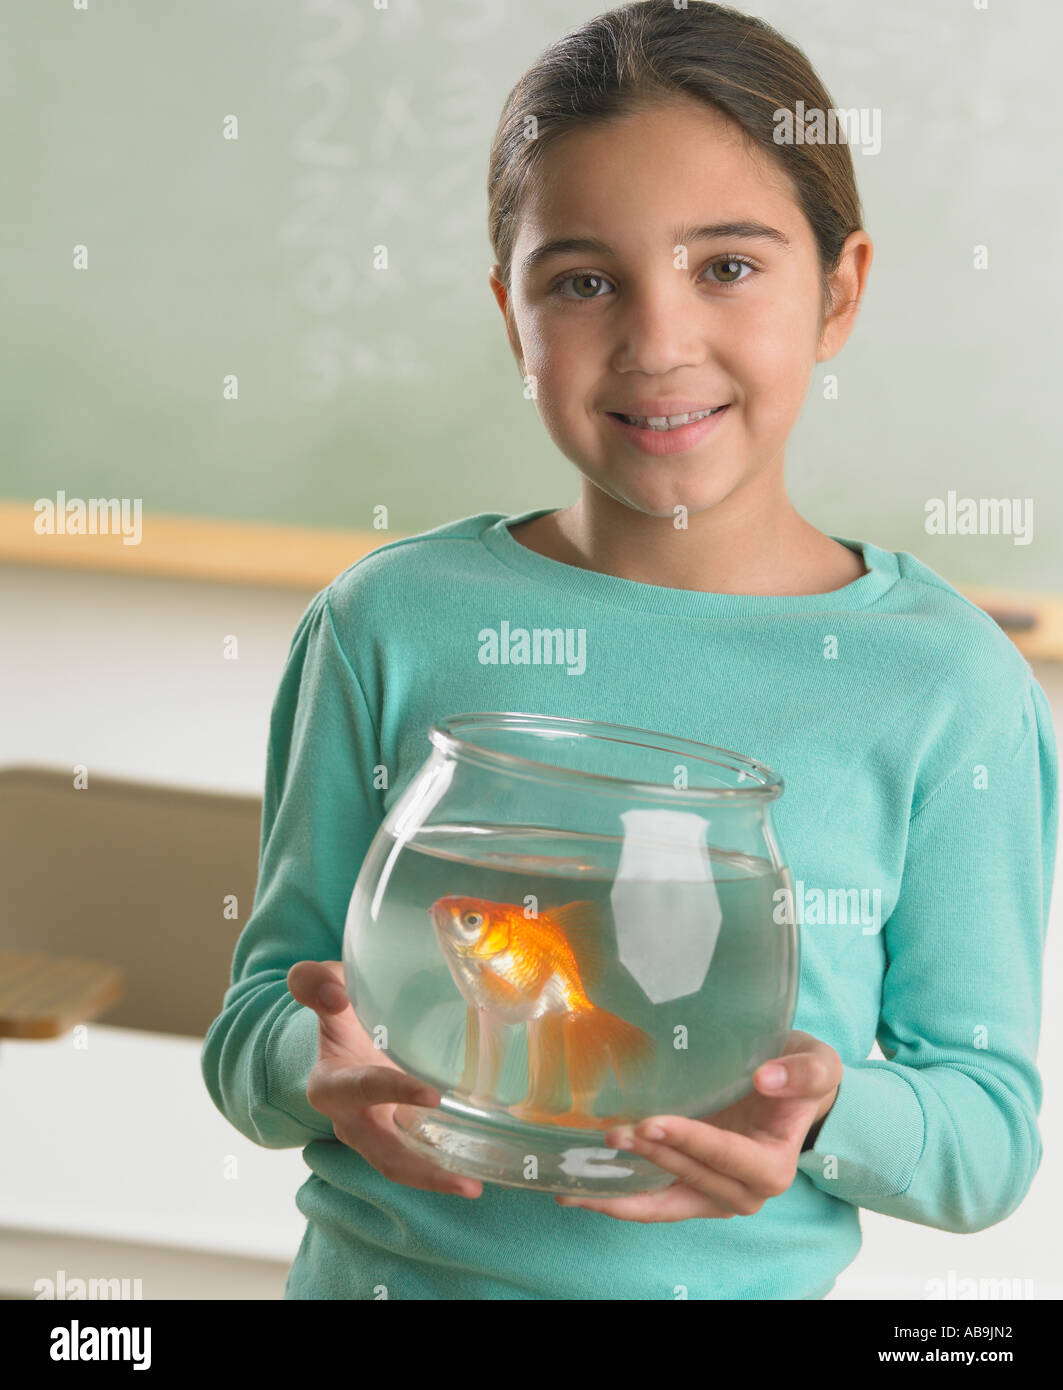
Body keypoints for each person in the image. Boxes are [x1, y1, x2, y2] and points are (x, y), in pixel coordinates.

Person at [201, 0, 1058, 1299]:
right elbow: (257, 1020)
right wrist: (302, 1066)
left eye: (727, 265)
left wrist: (826, 1113)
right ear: (512, 314)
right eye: (585, 279)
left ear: (840, 290)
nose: (658, 342)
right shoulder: (385, 621)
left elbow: (986, 1134)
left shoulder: (946, 685)